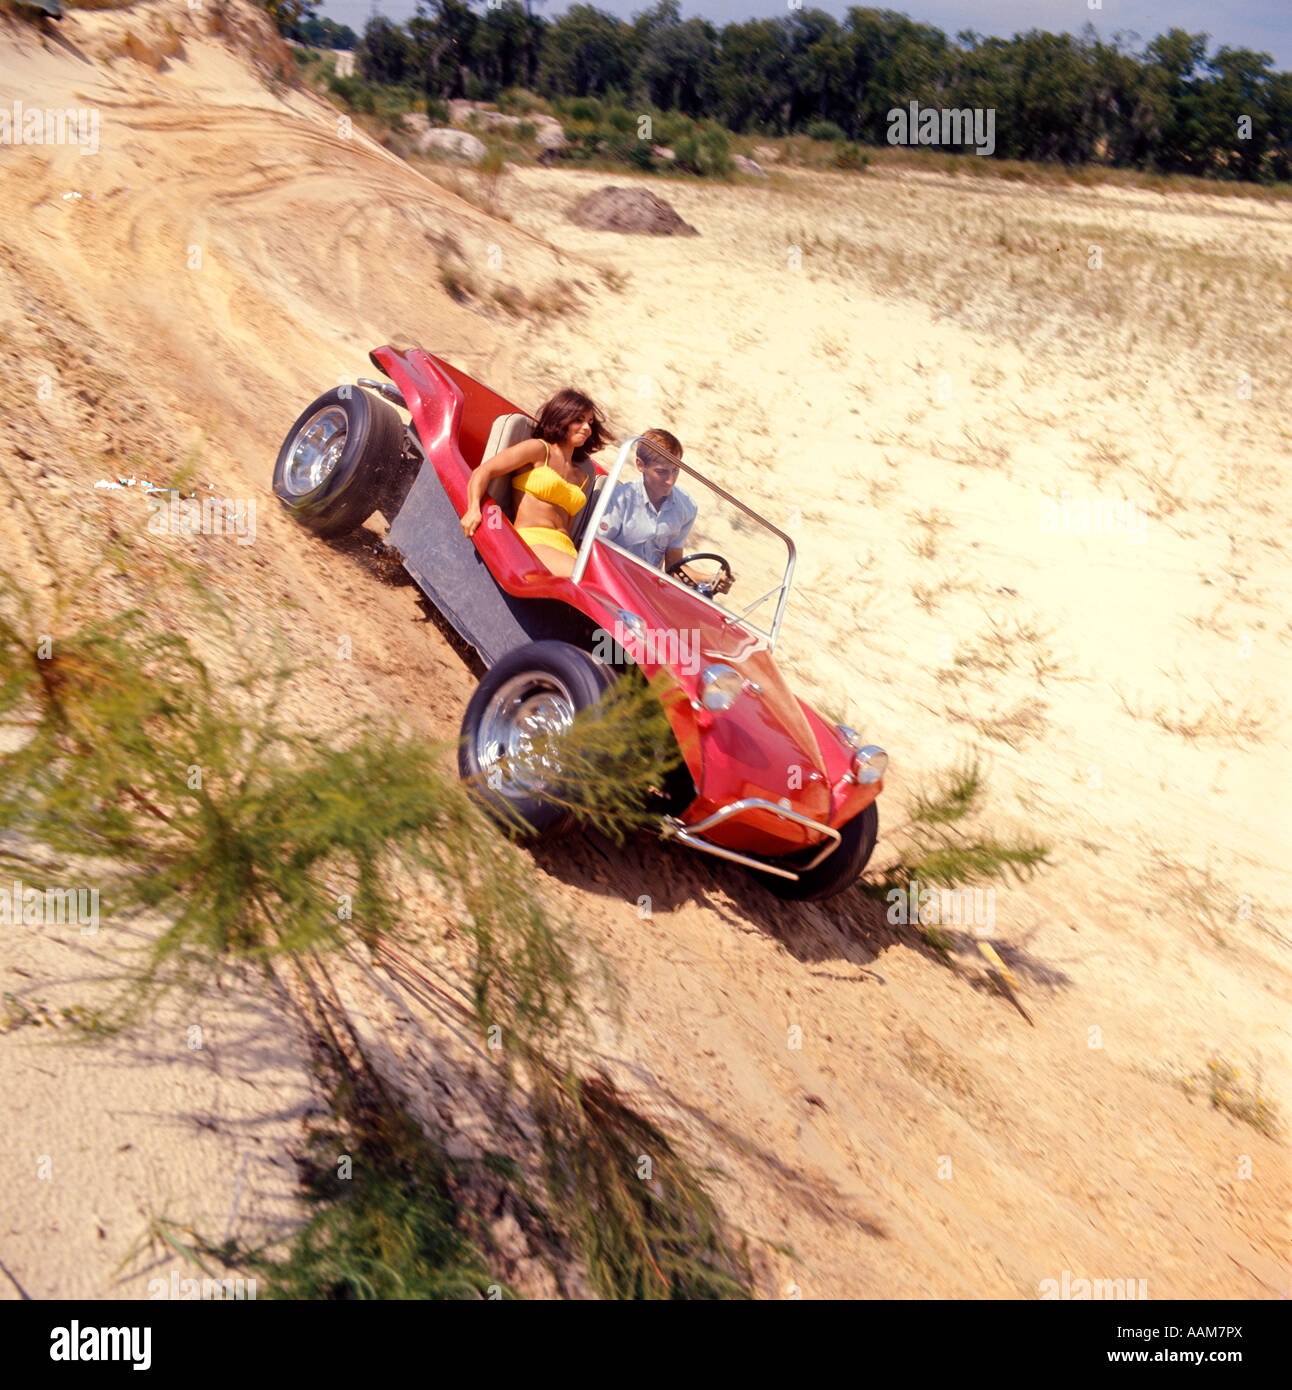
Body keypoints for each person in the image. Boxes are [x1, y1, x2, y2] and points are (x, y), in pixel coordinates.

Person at [460, 388, 610, 577]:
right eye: (579, 420)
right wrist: (473, 508)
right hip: (531, 541)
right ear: (562, 417)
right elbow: (484, 470)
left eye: (590, 422)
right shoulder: (538, 449)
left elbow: (568, 527)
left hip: (566, 549)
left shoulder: (582, 477)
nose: (587, 428)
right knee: (587, 580)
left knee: (599, 582)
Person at [596, 429, 733, 592]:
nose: (670, 480)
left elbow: (673, 569)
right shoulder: (619, 499)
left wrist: (710, 579)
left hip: (648, 590)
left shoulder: (686, 507)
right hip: (611, 582)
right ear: (640, 465)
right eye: (661, 472)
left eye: (675, 470)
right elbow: (594, 548)